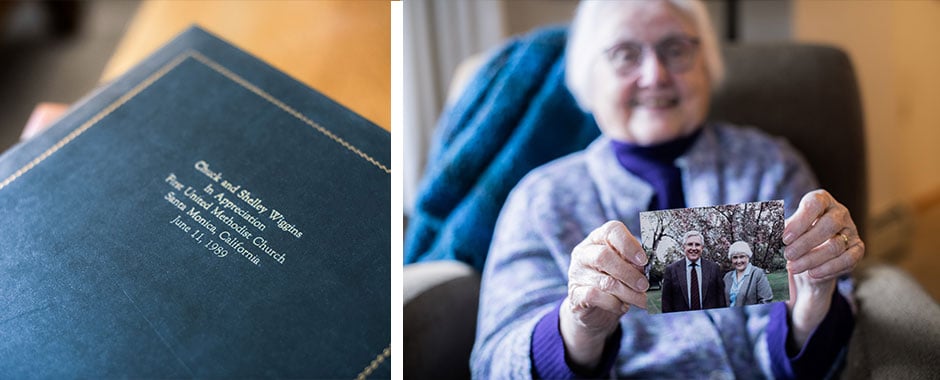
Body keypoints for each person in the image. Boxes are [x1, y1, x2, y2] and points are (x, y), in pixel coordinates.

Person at [470, 1, 864, 379]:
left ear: (707, 66)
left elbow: (812, 351)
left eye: (676, 50)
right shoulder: (541, 198)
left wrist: (811, 300)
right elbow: (494, 363)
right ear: (589, 80)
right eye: (625, 54)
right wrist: (578, 328)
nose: (655, 75)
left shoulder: (770, 165)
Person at [660, 231, 724, 312]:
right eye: (690, 244)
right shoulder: (671, 270)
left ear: (702, 247)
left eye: (697, 245)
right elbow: (666, 302)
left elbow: (721, 299)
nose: (693, 248)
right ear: (684, 247)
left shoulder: (714, 268)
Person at [723, 241, 774, 306]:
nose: (738, 261)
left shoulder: (758, 274)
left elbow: (766, 300)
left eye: (742, 257)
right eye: (735, 257)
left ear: (748, 257)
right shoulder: (727, 277)